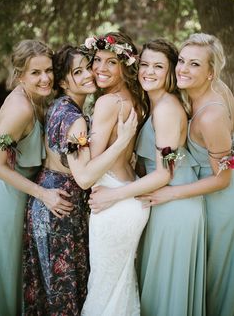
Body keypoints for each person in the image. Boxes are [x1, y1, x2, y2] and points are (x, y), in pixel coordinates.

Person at [89, 38, 206, 316]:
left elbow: (165, 173)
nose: (148, 72)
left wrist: (113, 195)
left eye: (158, 67)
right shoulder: (154, 103)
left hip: (175, 207)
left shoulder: (165, 108)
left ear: (170, 73)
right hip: (160, 203)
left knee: (167, 293)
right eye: (144, 65)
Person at [23, 44, 138, 315]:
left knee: (49, 292)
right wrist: (121, 142)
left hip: (50, 202)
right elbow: (85, 178)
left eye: (89, 66)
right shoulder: (74, 119)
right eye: (79, 71)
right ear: (63, 81)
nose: (90, 74)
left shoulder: (59, 107)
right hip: (59, 208)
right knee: (64, 295)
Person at [141, 33, 234, 316]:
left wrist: (171, 192)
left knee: (217, 279)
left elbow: (224, 177)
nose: (182, 69)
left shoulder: (211, 113)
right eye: (181, 61)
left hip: (219, 198)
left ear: (210, 72)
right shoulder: (189, 94)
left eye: (194, 64)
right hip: (199, 189)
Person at [0, 40, 72, 316]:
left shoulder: (35, 98)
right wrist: (44, 194)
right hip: (8, 199)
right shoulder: (21, 109)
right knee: (8, 274)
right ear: (20, 75)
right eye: (36, 73)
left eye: (49, 70)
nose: (45, 78)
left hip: (22, 195)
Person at [79, 32, 149, 316]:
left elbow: (89, 170)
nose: (100, 69)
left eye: (111, 63)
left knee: (104, 290)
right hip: (127, 196)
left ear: (125, 67)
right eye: (97, 60)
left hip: (112, 203)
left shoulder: (108, 103)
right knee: (118, 288)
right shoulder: (134, 98)